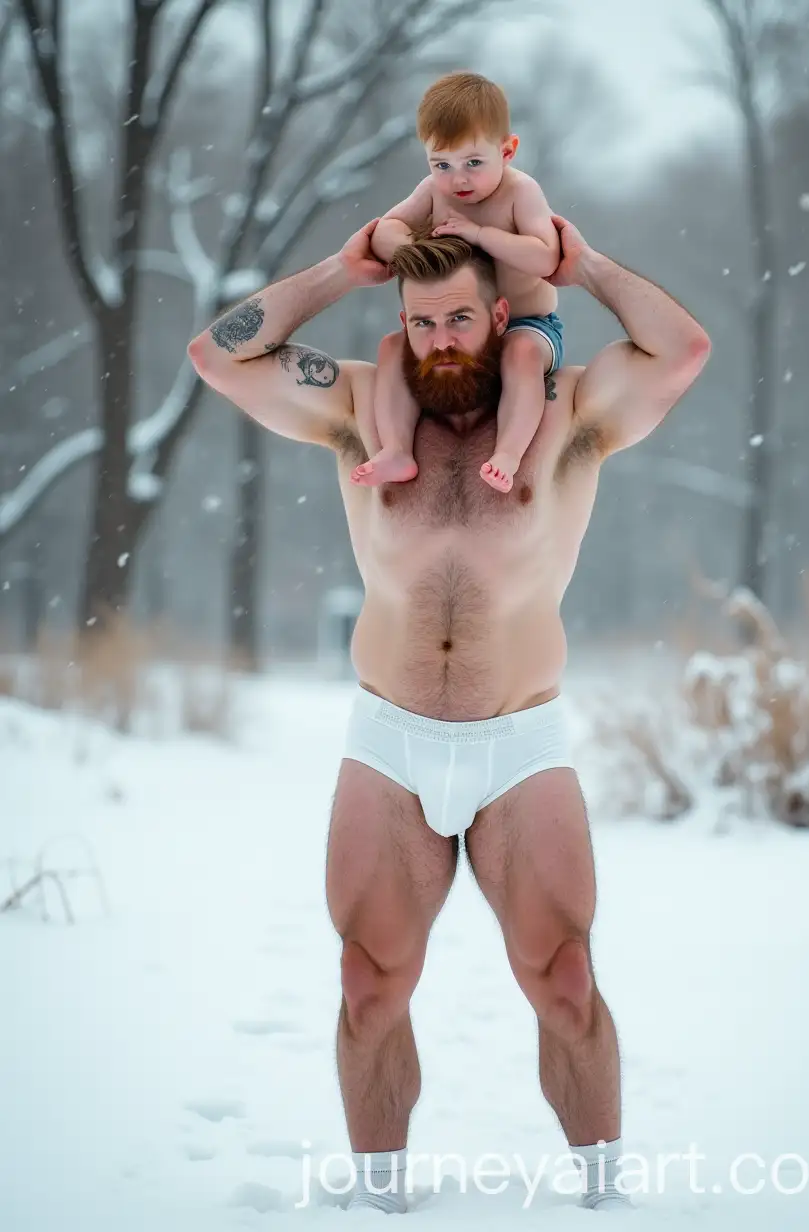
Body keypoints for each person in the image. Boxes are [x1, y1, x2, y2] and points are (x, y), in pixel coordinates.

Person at [187, 213, 710, 1213]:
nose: (439, 342)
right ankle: (383, 1200)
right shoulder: (357, 407)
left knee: (563, 979)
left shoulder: (566, 410)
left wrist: (587, 264)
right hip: (390, 741)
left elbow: (682, 348)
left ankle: (603, 1196)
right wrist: (341, 270)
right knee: (366, 983)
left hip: (520, 740)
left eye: (459, 318)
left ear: (499, 312)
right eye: (419, 323)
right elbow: (217, 355)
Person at [351, 70, 562, 494]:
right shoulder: (433, 191)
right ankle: (396, 448)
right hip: (455, 327)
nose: (458, 179)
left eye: (473, 163)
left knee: (520, 354)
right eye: (441, 164)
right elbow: (384, 230)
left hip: (527, 326)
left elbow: (546, 256)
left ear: (507, 151)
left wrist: (482, 236)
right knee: (393, 347)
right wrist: (415, 246)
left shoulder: (522, 193)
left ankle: (508, 452)